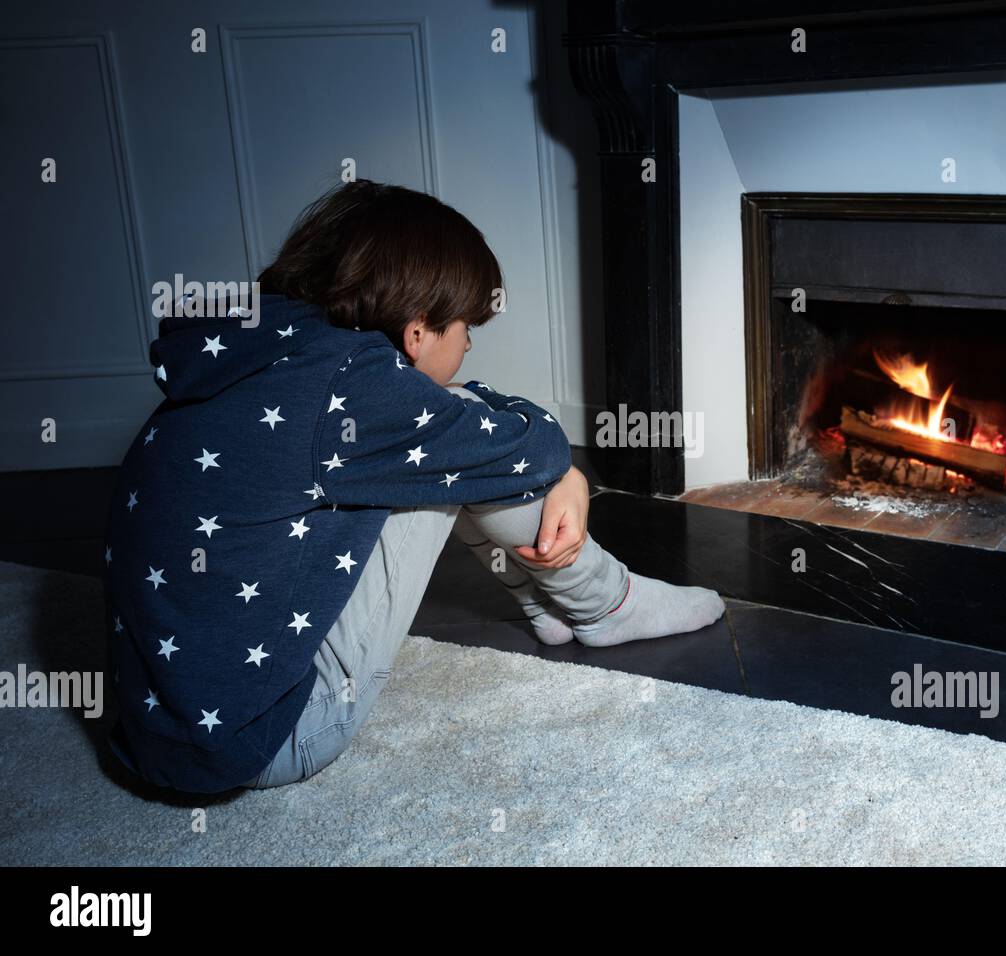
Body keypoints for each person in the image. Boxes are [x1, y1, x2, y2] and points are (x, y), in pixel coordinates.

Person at [101, 180, 725, 794]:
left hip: (154, 735)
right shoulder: (351, 383)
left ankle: (546, 598)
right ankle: (604, 603)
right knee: (459, 436)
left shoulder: (257, 349)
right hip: (263, 740)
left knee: (447, 434)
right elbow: (530, 448)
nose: (470, 342)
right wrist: (570, 473)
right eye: (467, 328)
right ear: (418, 331)